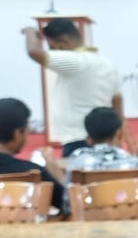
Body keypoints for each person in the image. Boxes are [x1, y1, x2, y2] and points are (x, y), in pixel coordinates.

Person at [22, 18, 123, 154]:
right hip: (103, 137)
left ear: (64, 42)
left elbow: (34, 52)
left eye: (52, 47)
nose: (52, 52)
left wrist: (29, 31)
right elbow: (117, 101)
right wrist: (118, 134)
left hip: (78, 140)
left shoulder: (75, 61)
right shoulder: (106, 63)